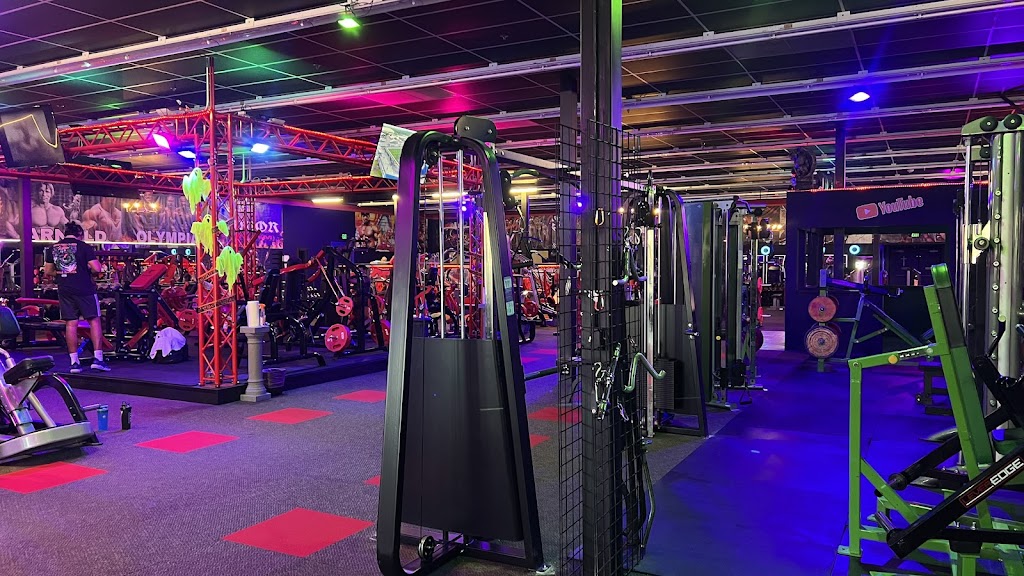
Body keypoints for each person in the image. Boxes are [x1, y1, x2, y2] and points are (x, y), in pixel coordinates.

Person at [44, 221, 110, 373]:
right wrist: (84, 270)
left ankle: (74, 362)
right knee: (94, 321)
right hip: (85, 289)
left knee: (71, 324)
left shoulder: (53, 248)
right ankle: (98, 359)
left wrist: (63, 273)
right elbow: (97, 268)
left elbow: (48, 271)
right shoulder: (84, 247)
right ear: (80, 234)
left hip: (65, 289)